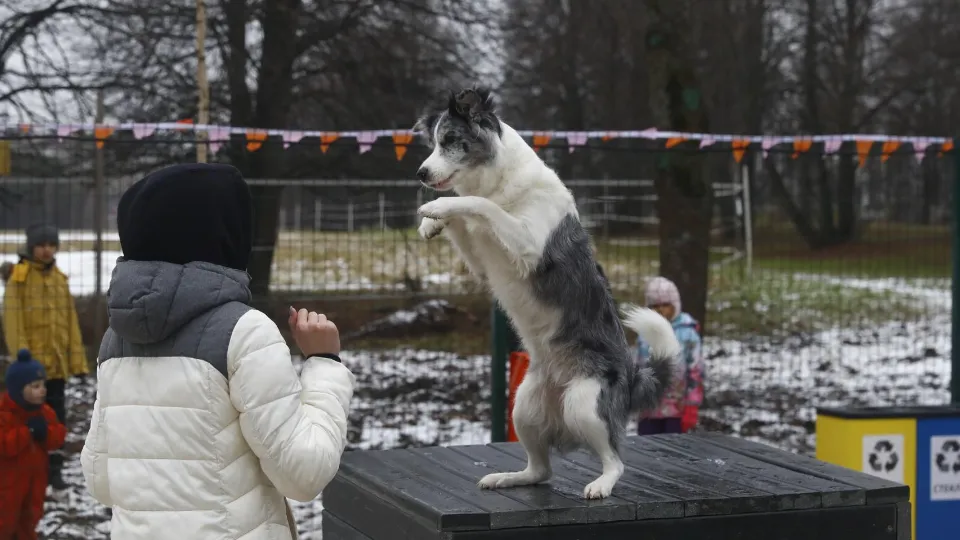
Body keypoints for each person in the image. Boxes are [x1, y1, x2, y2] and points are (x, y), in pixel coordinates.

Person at [80, 163, 356, 540]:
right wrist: (325, 365)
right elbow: (302, 474)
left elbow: (100, 479)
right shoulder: (243, 332)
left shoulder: (117, 340)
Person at [2, 223, 88, 489]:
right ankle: (29, 466)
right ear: (31, 247)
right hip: (32, 370)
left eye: (51, 245)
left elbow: (71, 324)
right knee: (29, 418)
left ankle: (55, 469)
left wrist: (78, 363)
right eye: (41, 245)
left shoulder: (60, 279)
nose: (46, 250)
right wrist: (23, 359)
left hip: (57, 367)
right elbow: (13, 321)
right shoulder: (20, 278)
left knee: (56, 418)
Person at [0, 348, 67, 540]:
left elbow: (58, 435)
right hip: (7, 485)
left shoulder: (44, 412)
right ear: (18, 389)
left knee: (30, 519)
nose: (43, 390)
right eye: (36, 386)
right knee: (5, 521)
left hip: (35, 481)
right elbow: (4, 444)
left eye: (43, 385)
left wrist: (46, 433)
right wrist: (26, 432)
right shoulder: (5, 414)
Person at [635, 276, 704, 435]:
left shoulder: (687, 333)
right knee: (647, 450)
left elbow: (695, 372)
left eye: (665, 304)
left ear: (675, 305)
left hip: (677, 410)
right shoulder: (645, 333)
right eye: (654, 305)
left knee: (674, 452)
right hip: (649, 409)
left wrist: (692, 405)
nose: (660, 310)